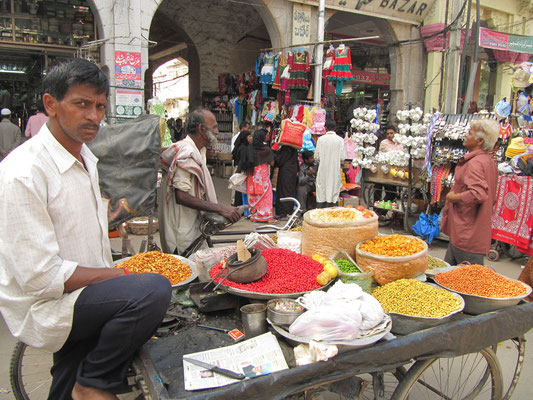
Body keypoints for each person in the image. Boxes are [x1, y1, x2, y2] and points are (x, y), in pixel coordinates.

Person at [0, 59, 172, 400]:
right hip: (50, 303)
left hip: (83, 293)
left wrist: (111, 271)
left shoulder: (85, 159)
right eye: (82, 104)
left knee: (64, 380)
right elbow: (40, 277)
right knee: (153, 289)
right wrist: (116, 277)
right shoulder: (23, 173)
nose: (94, 116)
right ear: (51, 104)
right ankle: (95, 382)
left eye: (100, 107)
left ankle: (81, 383)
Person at [159, 108, 240, 254]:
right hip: (182, 231)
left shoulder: (198, 151)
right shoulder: (188, 153)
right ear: (202, 129)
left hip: (192, 225)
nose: (217, 131)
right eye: (214, 127)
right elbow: (181, 196)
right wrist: (221, 208)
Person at [441, 119, 499, 265]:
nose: (466, 135)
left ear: (479, 141)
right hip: (467, 230)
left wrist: (453, 197)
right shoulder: (487, 161)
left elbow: (478, 194)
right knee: (448, 272)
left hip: (467, 231)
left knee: (468, 280)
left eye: (469, 133)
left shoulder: (475, 163)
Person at [315, 119, 346, 208]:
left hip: (323, 171)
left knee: (321, 193)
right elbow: (342, 157)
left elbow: (317, 156)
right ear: (335, 128)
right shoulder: (340, 140)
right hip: (334, 171)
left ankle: (319, 215)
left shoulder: (321, 140)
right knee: (334, 193)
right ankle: (333, 217)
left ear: (325, 128)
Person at [247, 128, 275, 222]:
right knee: (266, 195)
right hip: (263, 175)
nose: (268, 137)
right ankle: (265, 216)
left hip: (252, 174)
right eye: (266, 135)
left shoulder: (250, 148)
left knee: (253, 194)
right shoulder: (266, 150)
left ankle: (254, 215)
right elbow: (272, 163)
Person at [274, 144, 299, 219]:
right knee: (290, 191)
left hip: (285, 173)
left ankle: (283, 213)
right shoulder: (294, 149)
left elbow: (279, 161)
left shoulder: (285, 149)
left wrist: (274, 151)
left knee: (283, 192)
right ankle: (288, 211)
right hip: (292, 172)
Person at [231, 129, 254, 206]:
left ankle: (237, 204)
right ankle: (239, 205)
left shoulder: (240, 146)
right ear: (245, 137)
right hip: (241, 169)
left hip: (238, 168)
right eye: (249, 136)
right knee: (240, 188)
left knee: (238, 188)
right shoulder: (244, 147)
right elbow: (242, 160)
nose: (251, 138)